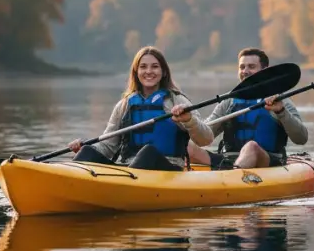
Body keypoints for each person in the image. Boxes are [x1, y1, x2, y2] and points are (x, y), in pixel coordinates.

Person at [67, 46, 213, 171]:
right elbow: (108, 146)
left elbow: (206, 138)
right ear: (136, 72)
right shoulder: (124, 105)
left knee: (148, 152)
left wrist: (189, 120)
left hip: (168, 169)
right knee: (87, 151)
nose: (149, 71)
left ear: (164, 72)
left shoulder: (177, 101)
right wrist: (87, 146)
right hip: (129, 170)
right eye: (143, 67)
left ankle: (123, 190)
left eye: (155, 66)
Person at [182, 48, 308, 170]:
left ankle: (233, 179)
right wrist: (190, 121)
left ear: (264, 71)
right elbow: (204, 137)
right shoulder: (229, 100)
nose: (245, 71)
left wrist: (281, 111)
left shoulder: (280, 100)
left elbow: (301, 138)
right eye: (242, 67)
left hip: (267, 161)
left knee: (251, 147)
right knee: (187, 145)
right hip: (229, 161)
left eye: (251, 67)